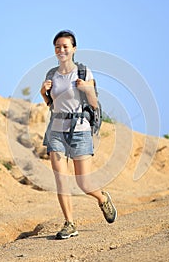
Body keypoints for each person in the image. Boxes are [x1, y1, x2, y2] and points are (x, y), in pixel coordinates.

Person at [40, 30, 117, 239]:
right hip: (56, 131)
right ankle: (69, 223)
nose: (61, 50)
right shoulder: (51, 74)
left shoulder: (83, 72)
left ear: (74, 49)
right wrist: (43, 94)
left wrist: (87, 89)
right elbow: (51, 104)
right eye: (58, 46)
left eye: (65, 46)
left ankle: (102, 198)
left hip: (80, 130)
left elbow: (93, 104)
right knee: (61, 179)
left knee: (83, 183)